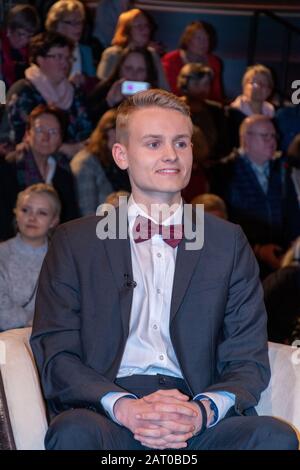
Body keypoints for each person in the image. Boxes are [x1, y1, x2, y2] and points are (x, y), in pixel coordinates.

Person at [31, 89, 298, 450]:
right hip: (106, 414)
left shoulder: (228, 242)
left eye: (181, 143)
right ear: (121, 155)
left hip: (198, 413)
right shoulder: (74, 242)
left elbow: (247, 358)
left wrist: (202, 411)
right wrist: (124, 407)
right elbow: (56, 354)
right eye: (154, 144)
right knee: (73, 433)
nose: (171, 155)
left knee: (274, 437)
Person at [211, 115, 300, 278]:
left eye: (274, 136)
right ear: (246, 140)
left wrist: (293, 246)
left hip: (281, 257)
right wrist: (257, 249)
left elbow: (292, 211)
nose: (272, 141)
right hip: (243, 263)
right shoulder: (223, 172)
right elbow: (219, 225)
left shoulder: (282, 169)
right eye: (265, 136)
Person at [3, 31, 92, 158]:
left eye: (68, 58)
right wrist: (65, 148)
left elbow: (87, 128)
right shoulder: (23, 91)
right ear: (40, 60)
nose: (65, 63)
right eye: (58, 57)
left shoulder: (74, 91)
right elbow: (22, 138)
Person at [0, 104, 78, 241]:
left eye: (53, 132)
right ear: (28, 134)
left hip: (55, 248)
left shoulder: (63, 173)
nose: (46, 137)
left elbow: (70, 219)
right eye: (40, 130)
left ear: (60, 139)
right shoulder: (8, 169)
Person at [0, 183, 60, 331]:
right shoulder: (2, 254)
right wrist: (29, 320)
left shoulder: (63, 259)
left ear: (54, 220)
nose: (32, 218)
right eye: (25, 210)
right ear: (16, 213)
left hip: (48, 343)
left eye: (42, 213)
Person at [71, 109, 130, 216]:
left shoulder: (120, 160)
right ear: (107, 131)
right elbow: (87, 213)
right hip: (99, 229)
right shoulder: (86, 163)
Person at [96, 8, 168, 90]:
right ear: (126, 30)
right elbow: (102, 86)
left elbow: (163, 87)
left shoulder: (152, 54)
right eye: (139, 26)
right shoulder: (112, 54)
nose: (146, 30)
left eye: (147, 25)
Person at [162, 21, 223, 101]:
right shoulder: (171, 60)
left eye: (207, 39)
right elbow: (168, 94)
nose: (204, 43)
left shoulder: (214, 62)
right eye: (199, 38)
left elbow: (216, 95)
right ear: (187, 39)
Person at [0, 4, 40, 88]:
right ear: (9, 30)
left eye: (29, 36)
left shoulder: (29, 51)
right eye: (21, 34)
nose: (26, 40)